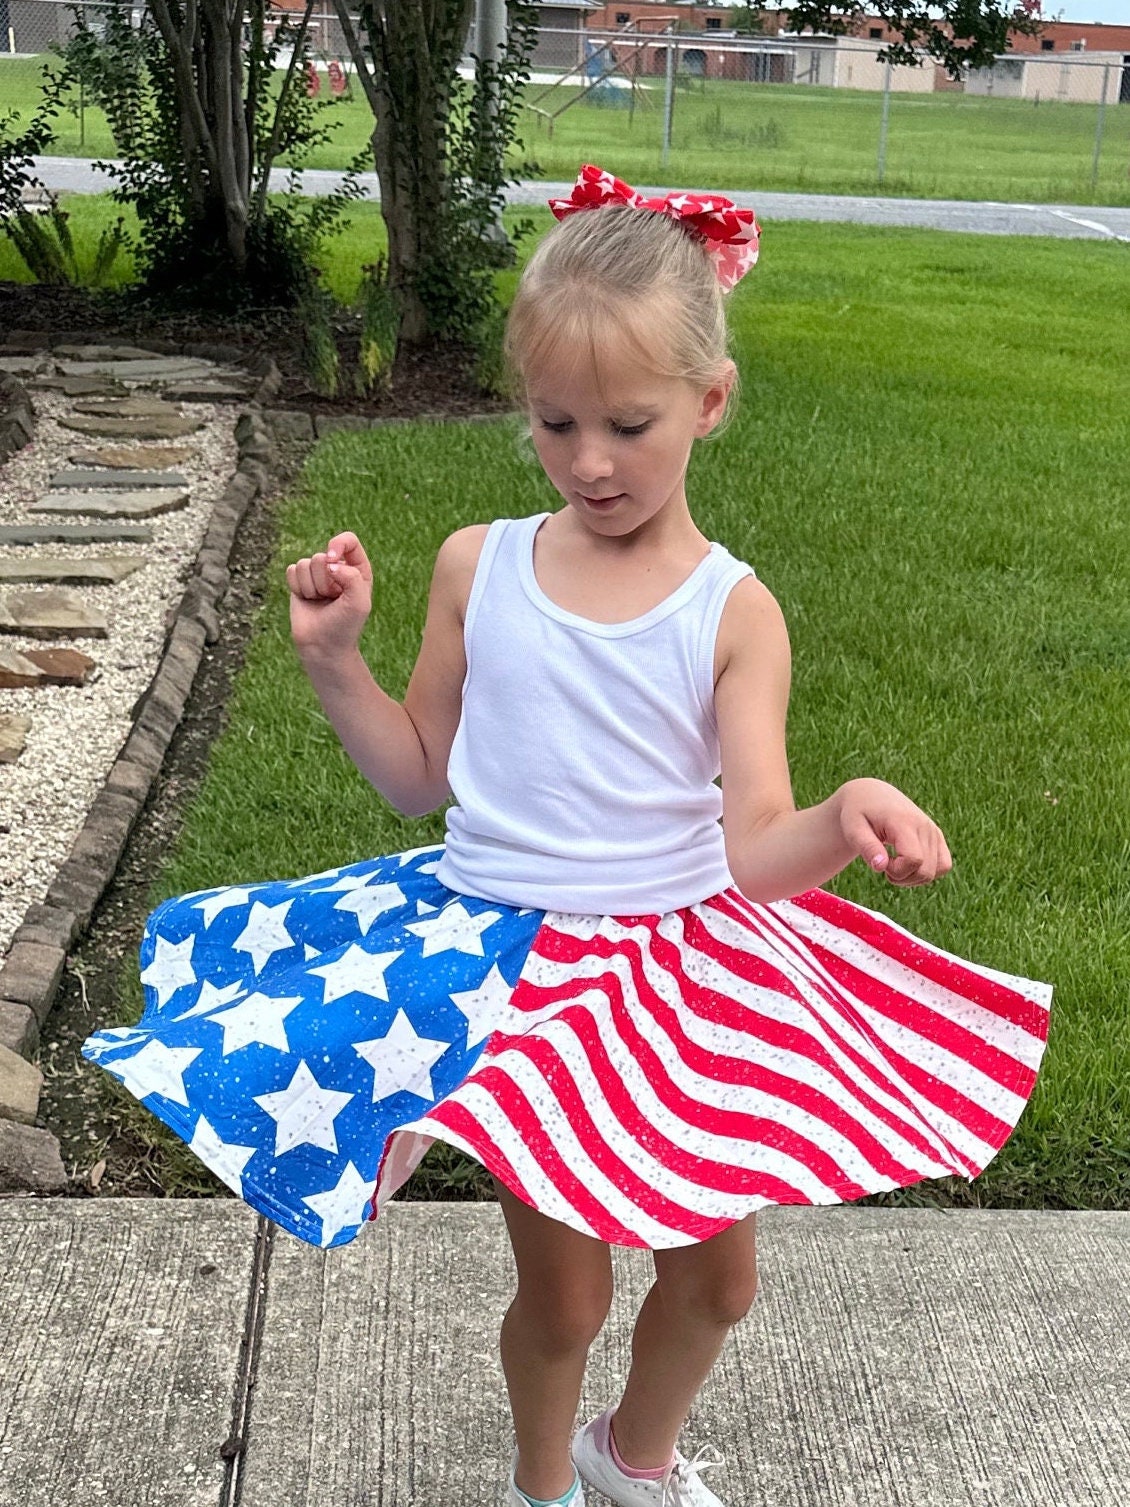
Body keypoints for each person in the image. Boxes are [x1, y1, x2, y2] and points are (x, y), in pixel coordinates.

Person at [82, 164, 1052, 1507]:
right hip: (514, 977)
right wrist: (334, 663)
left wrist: (841, 814)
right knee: (566, 1294)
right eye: (554, 423)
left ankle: (628, 1459)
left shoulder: (730, 613)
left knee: (718, 1279)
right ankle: (542, 1485)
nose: (589, 460)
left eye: (628, 424)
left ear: (708, 407)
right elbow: (418, 778)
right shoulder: (480, 566)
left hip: (687, 975)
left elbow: (755, 844)